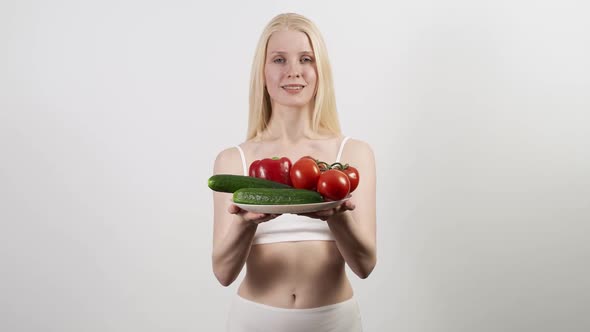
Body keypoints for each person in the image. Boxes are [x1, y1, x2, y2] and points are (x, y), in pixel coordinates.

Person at [211, 13, 376, 332]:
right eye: (278, 60)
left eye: (305, 59)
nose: (294, 72)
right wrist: (244, 224)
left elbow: (365, 265)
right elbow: (223, 273)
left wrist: (337, 215)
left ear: (320, 70)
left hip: (334, 322)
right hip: (254, 321)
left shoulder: (354, 155)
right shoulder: (233, 160)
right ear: (262, 72)